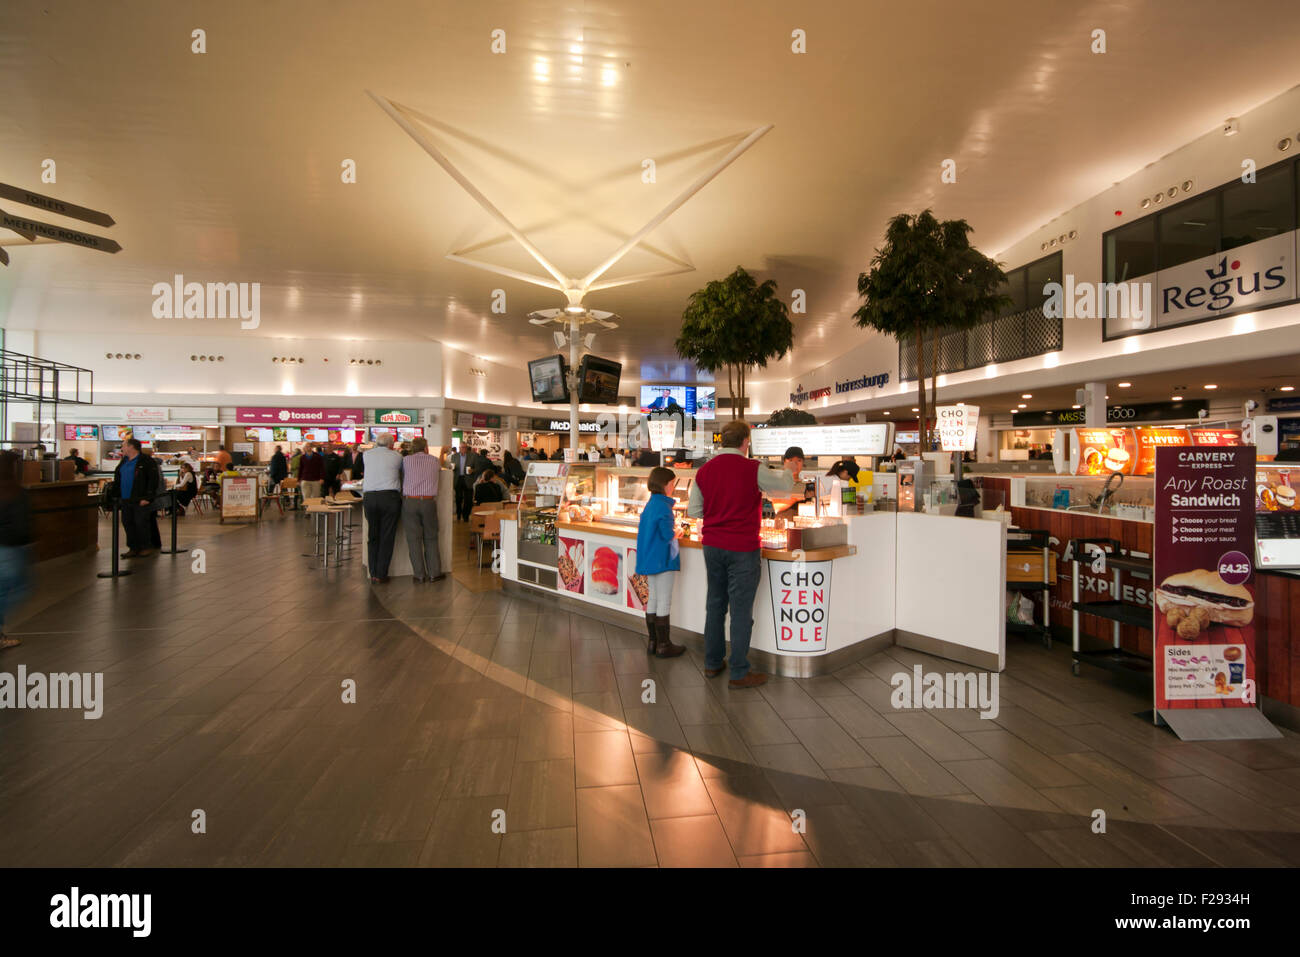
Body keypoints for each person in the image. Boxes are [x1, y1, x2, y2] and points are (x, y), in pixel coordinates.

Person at [687, 419, 793, 689]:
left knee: (715, 604)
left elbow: (695, 511)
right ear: (746, 442)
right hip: (743, 548)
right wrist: (790, 470)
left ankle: (712, 663)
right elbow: (784, 487)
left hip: (712, 546)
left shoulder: (704, 471)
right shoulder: (753, 468)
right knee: (741, 610)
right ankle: (738, 672)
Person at [635, 466, 686, 658]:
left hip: (649, 559)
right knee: (664, 600)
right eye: (672, 483)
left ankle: (652, 642)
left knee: (654, 599)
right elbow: (667, 535)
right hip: (662, 560)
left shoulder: (651, 503)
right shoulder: (664, 506)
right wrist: (679, 531)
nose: (673, 487)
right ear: (665, 484)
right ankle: (664, 645)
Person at [400, 437, 445, 583]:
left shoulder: (406, 460)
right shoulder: (434, 461)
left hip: (410, 502)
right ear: (426, 448)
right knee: (431, 538)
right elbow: (441, 466)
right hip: (428, 502)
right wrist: (443, 453)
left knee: (414, 540)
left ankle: (419, 575)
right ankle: (435, 573)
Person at [0, 451, 32, 650]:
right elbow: (21, 527)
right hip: (9, 549)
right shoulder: (14, 491)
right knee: (19, 588)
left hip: (8, 548)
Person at [361, 432, 403, 583]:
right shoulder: (397, 457)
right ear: (391, 444)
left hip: (370, 498)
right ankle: (381, 574)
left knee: (373, 535)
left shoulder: (366, 455)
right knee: (387, 536)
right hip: (389, 498)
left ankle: (372, 572)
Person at [114, 438, 163, 559]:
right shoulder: (124, 461)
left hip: (140, 498)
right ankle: (133, 547)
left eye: (124, 446)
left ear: (131, 447)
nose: (122, 448)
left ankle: (146, 546)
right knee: (127, 522)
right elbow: (118, 476)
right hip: (125, 498)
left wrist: (148, 497)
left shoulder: (146, 461)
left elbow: (153, 480)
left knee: (141, 523)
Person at [774, 446, 811, 520]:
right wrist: (799, 497)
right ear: (785, 462)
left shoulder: (806, 484)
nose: (795, 464)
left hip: (803, 526)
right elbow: (777, 507)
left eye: (799, 460)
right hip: (783, 526)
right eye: (791, 460)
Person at [450, 445, 473, 521]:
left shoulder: (472, 456)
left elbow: (477, 468)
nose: (463, 449)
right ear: (459, 448)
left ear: (466, 448)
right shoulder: (454, 456)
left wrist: (472, 470)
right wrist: (452, 468)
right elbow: (451, 466)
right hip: (458, 478)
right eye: (461, 447)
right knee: (458, 498)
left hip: (468, 479)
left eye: (464, 447)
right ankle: (459, 514)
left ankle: (466, 515)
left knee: (468, 499)